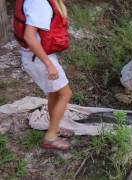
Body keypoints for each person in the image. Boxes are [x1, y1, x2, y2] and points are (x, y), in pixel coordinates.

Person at [14, 0, 73, 150]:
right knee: (65, 94)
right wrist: (48, 64)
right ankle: (50, 138)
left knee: (54, 94)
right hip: (38, 59)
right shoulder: (40, 3)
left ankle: (54, 128)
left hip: (36, 56)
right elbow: (30, 37)